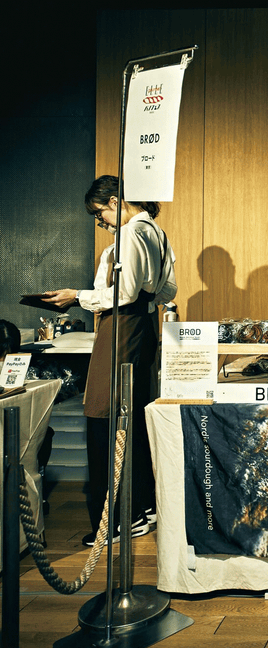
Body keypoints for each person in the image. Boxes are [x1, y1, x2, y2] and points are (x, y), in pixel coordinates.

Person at [43, 175, 176, 546]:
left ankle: (118, 519)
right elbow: (168, 289)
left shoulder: (132, 232)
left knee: (104, 417)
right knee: (130, 418)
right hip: (143, 328)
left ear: (116, 201)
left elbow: (126, 291)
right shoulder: (157, 233)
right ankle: (142, 508)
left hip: (121, 329)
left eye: (99, 212)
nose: (100, 221)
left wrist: (78, 295)